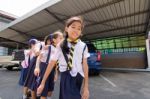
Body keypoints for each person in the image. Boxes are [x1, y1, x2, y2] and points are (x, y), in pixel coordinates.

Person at [37, 16, 90, 99]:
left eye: (79, 28)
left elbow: (85, 66)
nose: (76, 30)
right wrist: (43, 82)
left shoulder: (83, 46)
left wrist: (86, 87)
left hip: (79, 77)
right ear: (66, 28)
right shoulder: (60, 45)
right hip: (66, 77)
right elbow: (51, 63)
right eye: (73, 27)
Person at [34, 31, 63, 99]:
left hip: (52, 69)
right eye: (60, 38)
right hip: (44, 67)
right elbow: (39, 57)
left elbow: (55, 63)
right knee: (43, 90)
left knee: (50, 90)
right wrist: (37, 67)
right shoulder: (48, 47)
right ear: (54, 40)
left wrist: (56, 73)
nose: (62, 40)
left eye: (62, 38)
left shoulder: (59, 49)